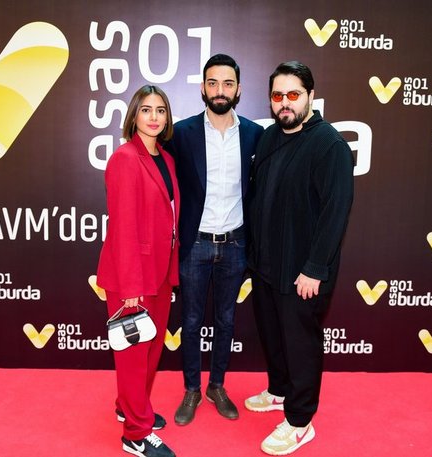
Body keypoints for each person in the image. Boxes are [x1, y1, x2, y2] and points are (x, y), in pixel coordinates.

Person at [245, 61, 354, 455]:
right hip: (266, 265)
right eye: (278, 95)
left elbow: (335, 212)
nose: (285, 102)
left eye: (293, 94)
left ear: (310, 96)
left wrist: (315, 268)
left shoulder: (330, 145)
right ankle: (279, 390)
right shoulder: (268, 137)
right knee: (272, 335)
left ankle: (299, 420)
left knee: (300, 343)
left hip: (302, 272)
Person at [164, 54, 263, 425]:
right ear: (203, 88)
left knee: (226, 320)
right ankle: (192, 388)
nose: (220, 90)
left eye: (227, 83)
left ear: (238, 89)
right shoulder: (182, 133)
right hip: (195, 243)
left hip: (235, 243)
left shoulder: (255, 134)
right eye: (213, 83)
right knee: (190, 321)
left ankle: (216, 385)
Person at [96, 85, 180, 457]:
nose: (154, 116)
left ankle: (129, 407)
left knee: (149, 351)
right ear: (134, 115)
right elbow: (123, 227)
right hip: (132, 277)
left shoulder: (166, 158)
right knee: (133, 356)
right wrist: (131, 286)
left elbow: (170, 220)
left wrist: (170, 273)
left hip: (159, 272)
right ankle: (135, 434)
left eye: (160, 110)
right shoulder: (124, 159)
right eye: (146, 109)